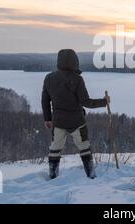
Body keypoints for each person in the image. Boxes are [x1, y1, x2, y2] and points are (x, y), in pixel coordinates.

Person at [42, 49, 110, 179]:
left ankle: (53, 177)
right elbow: (86, 102)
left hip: (58, 122)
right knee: (84, 148)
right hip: (77, 122)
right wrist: (104, 102)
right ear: (75, 61)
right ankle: (91, 176)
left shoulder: (49, 78)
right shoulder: (77, 79)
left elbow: (45, 101)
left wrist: (47, 119)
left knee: (55, 149)